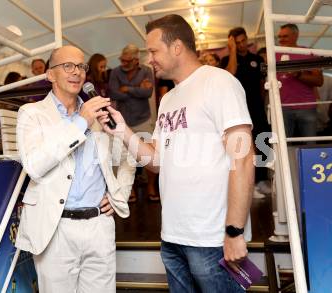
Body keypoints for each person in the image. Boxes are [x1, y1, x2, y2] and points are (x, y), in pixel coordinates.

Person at [100, 14, 254, 292]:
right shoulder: (169, 98)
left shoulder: (218, 82)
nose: (150, 59)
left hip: (212, 239)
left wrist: (234, 231)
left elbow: (242, 158)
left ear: (177, 47)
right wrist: (122, 131)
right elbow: (156, 162)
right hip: (172, 237)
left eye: (153, 51)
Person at [15, 45, 135, 293]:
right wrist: (81, 122)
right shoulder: (32, 114)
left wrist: (119, 194)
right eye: (67, 66)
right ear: (50, 75)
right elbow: (35, 166)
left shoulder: (101, 114)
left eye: (81, 66)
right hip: (55, 228)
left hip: (99, 226)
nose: (77, 72)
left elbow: (129, 156)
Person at [220, 27, 271, 196]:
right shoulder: (227, 60)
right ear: (231, 43)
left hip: (256, 108)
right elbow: (230, 74)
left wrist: (261, 104)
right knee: (244, 146)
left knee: (263, 142)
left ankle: (262, 181)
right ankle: (249, 184)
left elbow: (263, 85)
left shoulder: (257, 59)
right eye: (237, 42)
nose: (242, 45)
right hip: (237, 110)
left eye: (243, 41)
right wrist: (233, 51)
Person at [109, 44, 158, 202]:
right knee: (126, 158)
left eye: (127, 60)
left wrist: (128, 89)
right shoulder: (115, 72)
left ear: (136, 60)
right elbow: (114, 92)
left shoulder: (146, 70)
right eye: (122, 59)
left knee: (149, 155)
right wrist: (137, 88)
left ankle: (151, 187)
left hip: (143, 119)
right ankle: (130, 190)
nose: (124, 63)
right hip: (123, 121)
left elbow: (148, 92)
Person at [276, 23, 324, 137]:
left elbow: (319, 81)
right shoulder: (274, 54)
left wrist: (298, 74)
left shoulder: (308, 53)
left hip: (307, 107)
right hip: (283, 108)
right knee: (284, 147)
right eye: (280, 37)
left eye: (285, 36)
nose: (281, 40)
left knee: (310, 146)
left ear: (295, 35)